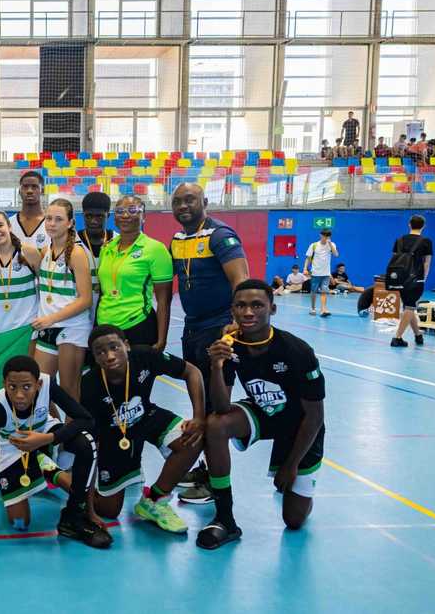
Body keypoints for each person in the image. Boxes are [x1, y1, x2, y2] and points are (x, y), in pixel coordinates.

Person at [197, 280, 326, 549]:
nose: (248, 312)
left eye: (257, 305)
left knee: (293, 520)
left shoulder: (297, 351)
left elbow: (314, 417)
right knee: (216, 425)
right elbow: (221, 407)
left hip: (300, 425)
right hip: (264, 412)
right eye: (241, 306)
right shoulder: (229, 345)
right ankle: (225, 518)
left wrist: (291, 466)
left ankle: (303, 488)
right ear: (232, 310)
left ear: (273, 309)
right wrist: (217, 366)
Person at [0, 355, 111, 552]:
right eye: (12, 387)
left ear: (38, 384)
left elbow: (86, 419)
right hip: (12, 449)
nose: (19, 395)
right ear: (4, 383)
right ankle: (47, 469)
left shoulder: (47, 384)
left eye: (26, 387)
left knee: (86, 441)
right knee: (20, 523)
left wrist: (46, 439)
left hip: (44, 436)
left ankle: (76, 514)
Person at [81, 325, 205, 534]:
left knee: (193, 439)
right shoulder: (89, 385)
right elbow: (91, 439)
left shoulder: (145, 356)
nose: (109, 356)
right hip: (113, 436)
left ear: (126, 345)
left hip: (146, 416)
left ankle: (154, 500)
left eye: (114, 347)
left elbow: (192, 372)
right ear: (94, 357)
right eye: (100, 352)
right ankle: (56, 475)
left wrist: (199, 417)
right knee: (109, 510)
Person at [169, 183, 249, 505]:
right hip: (192, 330)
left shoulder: (221, 235)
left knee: (217, 412)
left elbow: (241, 281)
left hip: (218, 330)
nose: (183, 206)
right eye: (177, 202)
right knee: (200, 409)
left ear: (205, 201)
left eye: (190, 200)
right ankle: (205, 468)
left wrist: (235, 325)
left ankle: (216, 485)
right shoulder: (178, 240)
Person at [34, 199, 93, 402]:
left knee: (69, 390)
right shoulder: (45, 251)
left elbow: (85, 300)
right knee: (41, 388)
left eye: (58, 219)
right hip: (47, 327)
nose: (51, 223)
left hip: (72, 328)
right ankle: (56, 429)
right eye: (48, 218)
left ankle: (74, 433)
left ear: (69, 223)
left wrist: (52, 318)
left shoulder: (76, 253)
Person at [95, 195, 173, 350]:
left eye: (133, 210)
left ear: (144, 217)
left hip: (138, 325)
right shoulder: (106, 248)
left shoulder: (155, 249)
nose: (125, 215)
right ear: (115, 218)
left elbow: (164, 301)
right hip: (104, 326)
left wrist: (162, 339)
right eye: (120, 211)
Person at [0, 210, 41, 337]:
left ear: (9, 226)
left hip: (27, 330)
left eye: (0, 225)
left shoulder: (30, 253)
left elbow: (44, 288)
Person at [390, 214, 433, 347]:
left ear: (409, 224)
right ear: (424, 226)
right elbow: (427, 263)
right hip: (416, 278)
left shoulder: (399, 240)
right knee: (410, 307)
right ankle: (397, 337)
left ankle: (418, 335)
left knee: (409, 305)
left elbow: (394, 259)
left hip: (399, 278)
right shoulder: (426, 241)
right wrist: (424, 278)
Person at [77, 191, 114, 314]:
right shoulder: (71, 242)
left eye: (99, 216)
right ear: (83, 215)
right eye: (89, 216)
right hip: (79, 312)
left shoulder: (118, 241)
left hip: (109, 310)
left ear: (108, 215)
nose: (93, 221)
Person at [9, 171, 48, 251]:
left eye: (34, 186)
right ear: (19, 191)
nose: (29, 191)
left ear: (42, 191)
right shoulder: (9, 224)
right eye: (25, 187)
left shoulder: (51, 223)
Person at [304, 228, 338, 317]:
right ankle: (313, 308)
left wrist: (330, 244)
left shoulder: (332, 245)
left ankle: (323, 309)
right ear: (320, 235)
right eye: (324, 236)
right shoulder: (314, 245)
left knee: (324, 291)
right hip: (315, 273)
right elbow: (308, 258)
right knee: (313, 291)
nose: (325, 238)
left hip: (326, 273)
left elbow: (336, 254)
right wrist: (305, 268)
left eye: (327, 236)